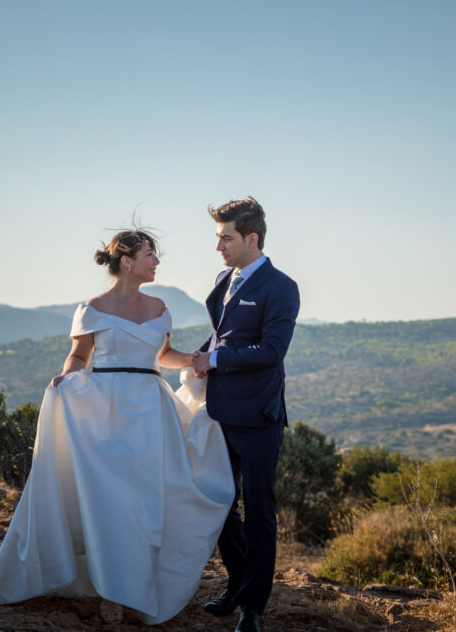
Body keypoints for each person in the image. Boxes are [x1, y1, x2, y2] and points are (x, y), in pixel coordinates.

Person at [0, 229, 235, 626]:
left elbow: (164, 356)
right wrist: (66, 380)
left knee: (146, 503)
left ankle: (138, 587)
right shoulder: (91, 308)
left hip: (151, 412)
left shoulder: (161, 307)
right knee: (111, 504)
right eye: (151, 254)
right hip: (105, 410)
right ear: (127, 260)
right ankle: (111, 592)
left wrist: (204, 361)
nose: (157, 261)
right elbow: (78, 357)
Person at [191, 197, 300, 632]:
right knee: (217, 503)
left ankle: (252, 608)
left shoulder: (281, 287)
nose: (219, 246)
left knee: (258, 512)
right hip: (218, 410)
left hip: (258, 416)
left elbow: (271, 352)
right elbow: (223, 334)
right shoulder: (225, 278)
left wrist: (214, 361)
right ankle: (237, 582)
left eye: (226, 238)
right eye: (218, 237)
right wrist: (197, 357)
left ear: (251, 238)